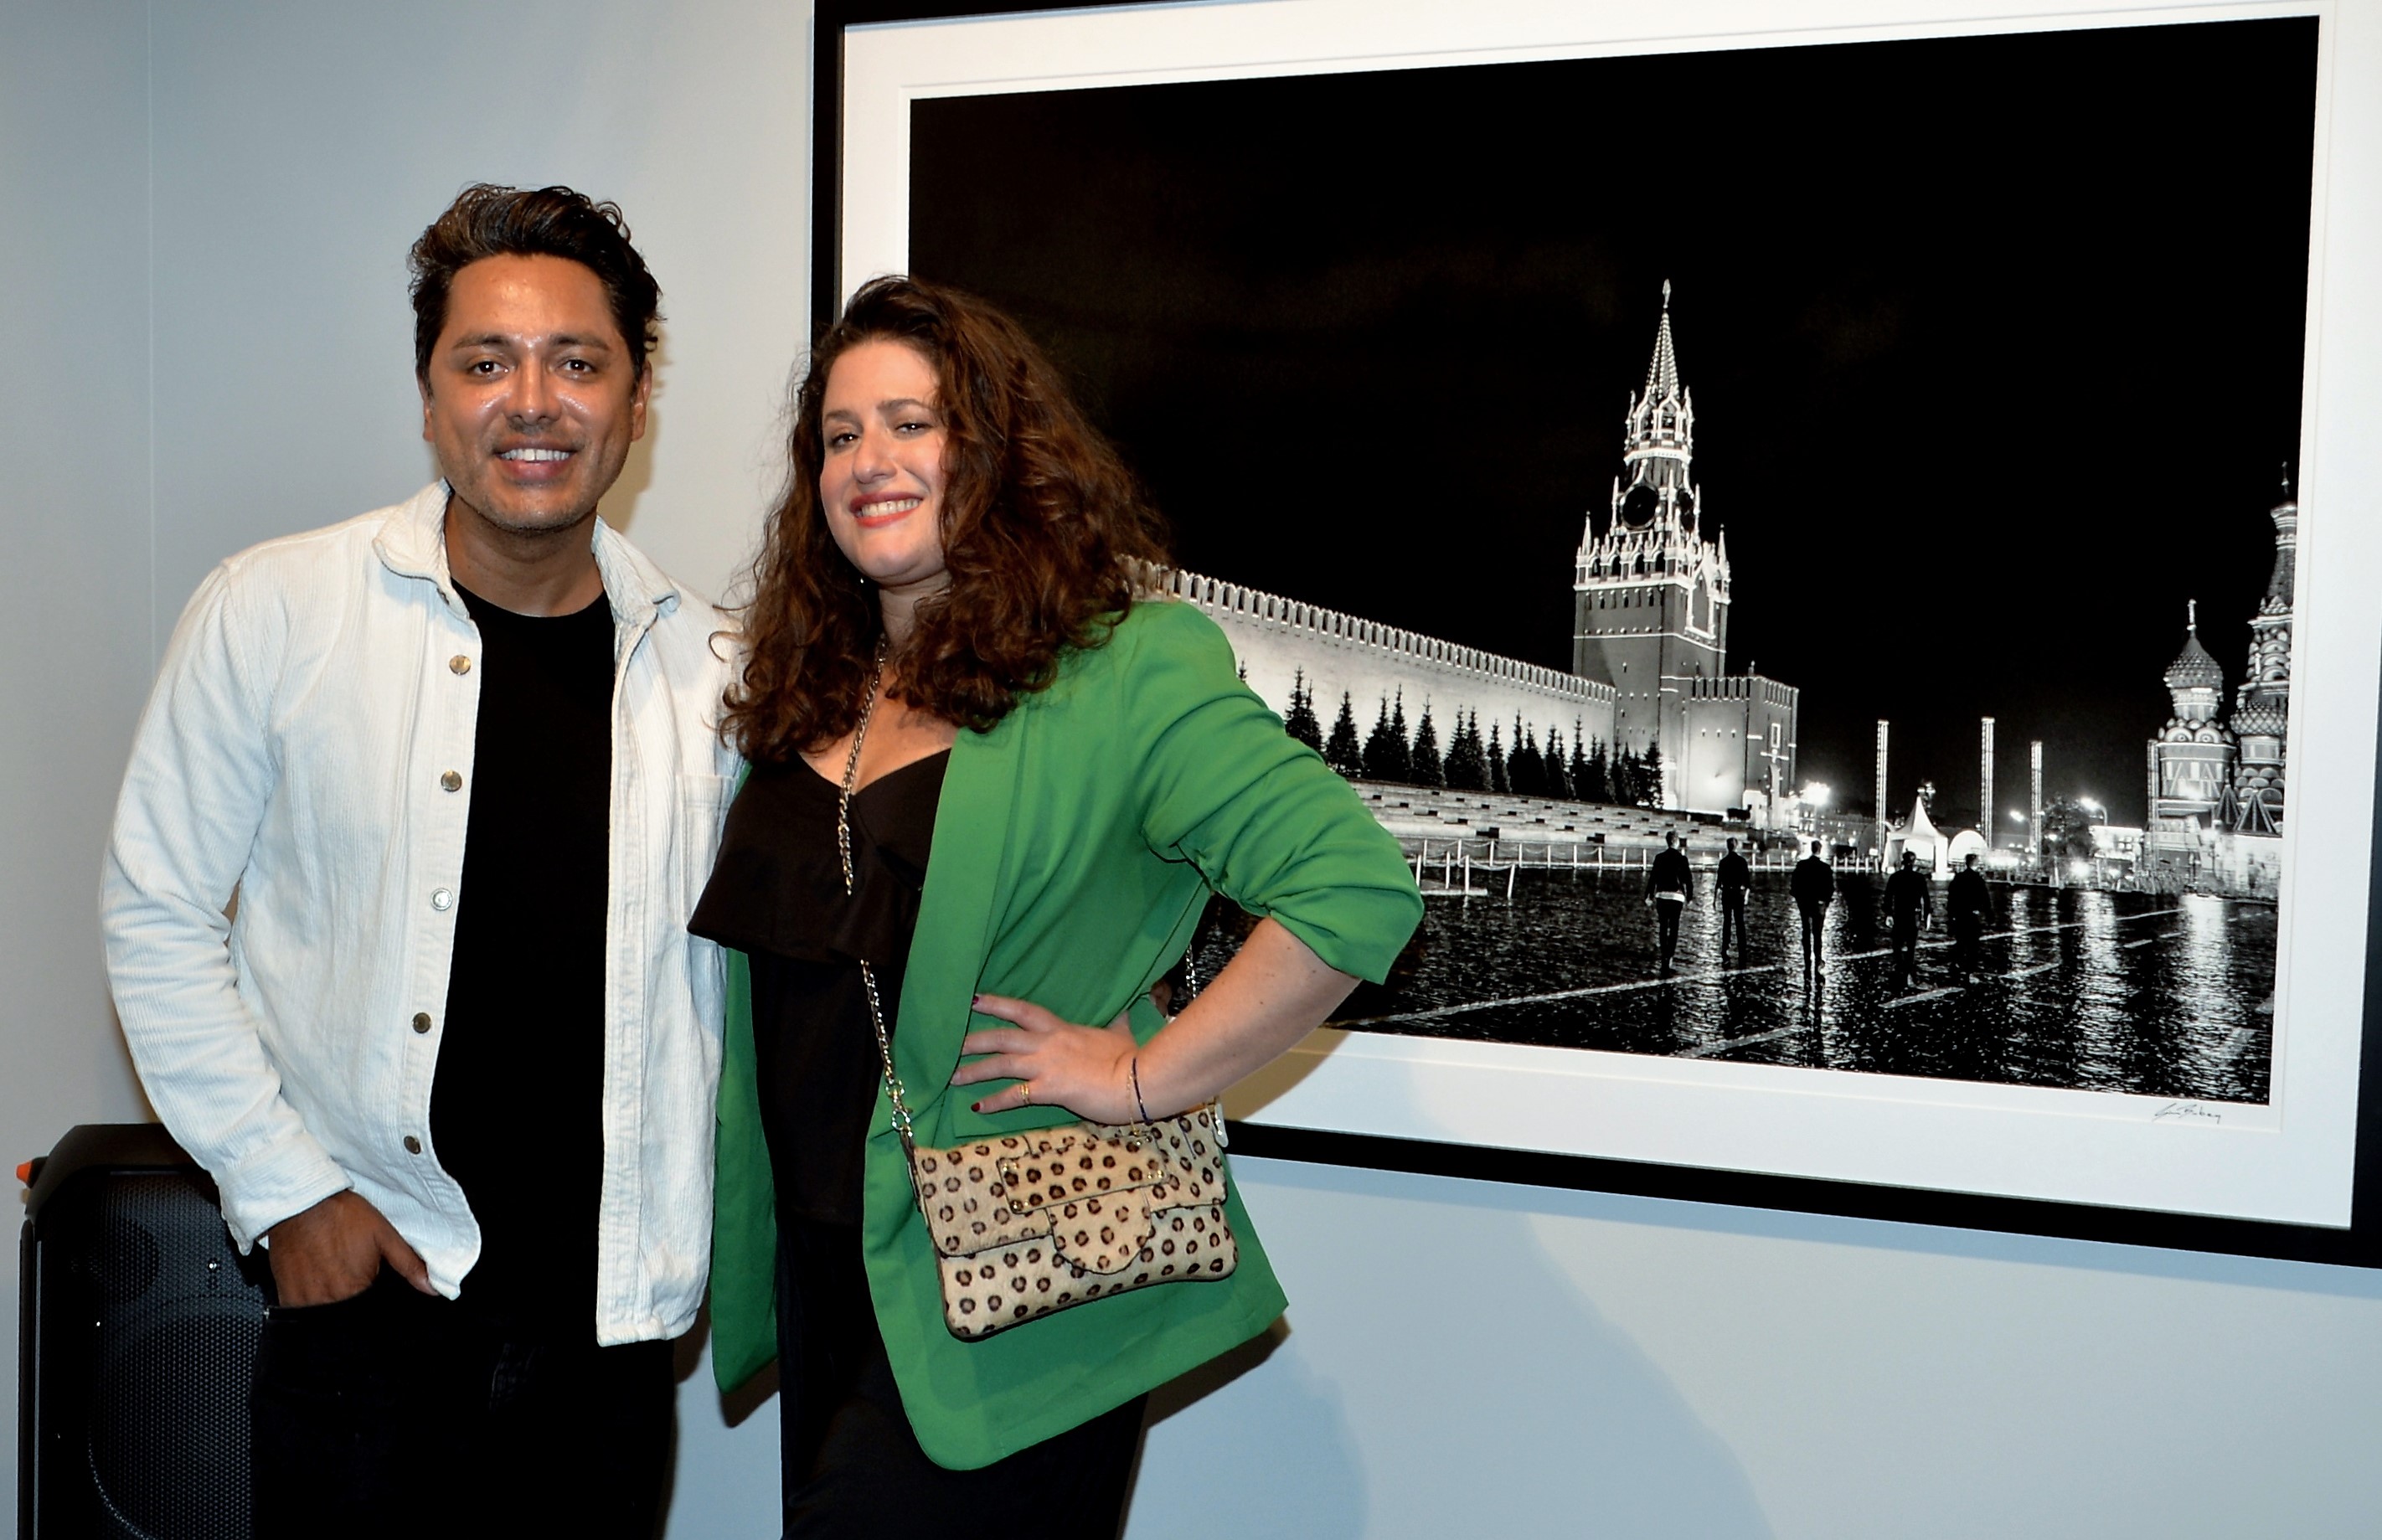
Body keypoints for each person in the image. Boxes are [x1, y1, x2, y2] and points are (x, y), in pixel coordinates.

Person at [692, 276, 1422, 1533]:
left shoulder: (1125, 667)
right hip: (829, 1264)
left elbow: (1353, 889)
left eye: (913, 423)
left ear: (995, 447)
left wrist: (1142, 1077)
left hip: (1019, 1267)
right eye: (841, 434)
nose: (870, 460)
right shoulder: (811, 684)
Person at [100, 185, 735, 1539]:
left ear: (634, 403)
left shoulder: (712, 672)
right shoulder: (276, 611)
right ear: (430, 397)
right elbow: (155, 912)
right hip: (365, 1324)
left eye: (577, 362)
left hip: (606, 1352)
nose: (532, 401)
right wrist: (289, 1194)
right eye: (485, 361)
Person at [1882, 849, 1936, 988]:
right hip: (1913, 915)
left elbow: (1888, 897)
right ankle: (1907, 972)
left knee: (1897, 945)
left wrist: (1888, 913)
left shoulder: (1895, 877)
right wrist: (1927, 915)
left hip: (1899, 914)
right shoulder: (1919, 878)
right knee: (1911, 946)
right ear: (1914, 862)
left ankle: (1900, 967)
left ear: (1903, 861)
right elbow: (1926, 898)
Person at [1645, 830, 1693, 974]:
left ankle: (1664, 953)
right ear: (1677, 842)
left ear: (1667, 842)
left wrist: (1648, 895)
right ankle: (1670, 955)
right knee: (1674, 927)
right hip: (1677, 896)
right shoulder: (1682, 859)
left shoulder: (1659, 858)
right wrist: (1690, 897)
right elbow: (1688, 880)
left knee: (1663, 926)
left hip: (1662, 895)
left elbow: (1653, 878)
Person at [1791, 839, 1835, 980]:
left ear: (1811, 849)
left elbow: (1794, 885)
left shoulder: (1801, 865)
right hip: (1819, 904)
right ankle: (1818, 958)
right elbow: (1830, 888)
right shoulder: (1825, 868)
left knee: (1806, 930)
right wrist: (1825, 902)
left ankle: (1806, 958)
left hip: (1805, 903)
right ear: (1820, 850)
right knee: (1818, 933)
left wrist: (1799, 899)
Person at [1948, 851, 1993, 982]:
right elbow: (1985, 898)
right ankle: (1969, 972)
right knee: (1973, 945)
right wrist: (1989, 915)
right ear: (1976, 863)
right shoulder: (1978, 879)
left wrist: (1951, 916)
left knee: (1960, 941)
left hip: (1960, 915)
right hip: (1972, 916)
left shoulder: (1959, 878)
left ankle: (1956, 964)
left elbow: (1952, 898)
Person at [1716, 836, 1752, 965]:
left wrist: (1715, 899)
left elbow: (1718, 882)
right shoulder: (1742, 861)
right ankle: (1742, 949)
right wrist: (1746, 896)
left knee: (1727, 922)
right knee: (1739, 922)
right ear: (1737, 846)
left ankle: (1725, 948)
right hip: (1738, 894)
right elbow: (1748, 882)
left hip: (1727, 893)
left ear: (1727, 847)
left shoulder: (1723, 862)